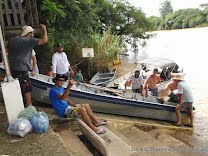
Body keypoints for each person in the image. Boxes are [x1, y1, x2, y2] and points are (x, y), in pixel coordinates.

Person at [8, 24, 48, 107]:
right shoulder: (28, 41)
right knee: (27, 88)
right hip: (22, 69)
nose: (33, 35)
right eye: (32, 33)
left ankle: (20, 104)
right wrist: (44, 30)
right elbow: (44, 40)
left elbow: (6, 51)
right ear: (28, 33)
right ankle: (29, 105)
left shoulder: (13, 40)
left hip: (13, 68)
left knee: (18, 87)